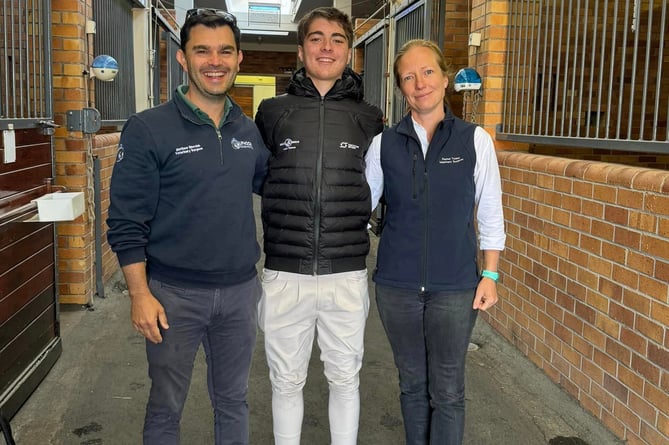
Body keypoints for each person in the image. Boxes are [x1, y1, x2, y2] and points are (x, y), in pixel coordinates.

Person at [106, 9, 269, 445]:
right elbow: (125, 222)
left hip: (239, 292)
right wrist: (139, 295)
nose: (214, 61)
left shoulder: (247, 130)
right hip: (172, 295)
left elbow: (273, 188)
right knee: (166, 404)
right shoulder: (148, 129)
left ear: (238, 60)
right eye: (202, 51)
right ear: (183, 58)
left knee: (233, 401)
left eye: (224, 51)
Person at [364, 39, 506, 445]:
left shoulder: (473, 141)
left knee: (447, 391)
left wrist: (490, 274)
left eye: (427, 72)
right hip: (397, 287)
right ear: (400, 88)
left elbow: (490, 213)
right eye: (408, 76)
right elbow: (360, 206)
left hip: (456, 288)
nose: (419, 83)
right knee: (411, 385)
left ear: (444, 79)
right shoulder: (384, 144)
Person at [254, 7, 384, 445]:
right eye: (316, 38)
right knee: (285, 381)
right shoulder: (272, 113)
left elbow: (375, 185)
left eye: (337, 39)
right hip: (285, 272)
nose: (326, 47)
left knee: (345, 378)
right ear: (300, 48)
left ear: (350, 51)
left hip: (345, 273)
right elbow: (260, 178)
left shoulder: (370, 118)